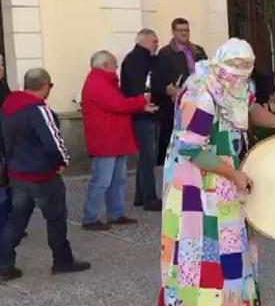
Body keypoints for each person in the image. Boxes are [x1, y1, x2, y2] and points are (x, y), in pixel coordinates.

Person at [158, 39, 275, 306]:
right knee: (202, 254)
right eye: (235, 68)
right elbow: (192, 149)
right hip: (197, 188)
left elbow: (250, 108)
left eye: (245, 69)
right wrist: (234, 175)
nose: (240, 75)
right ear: (221, 64)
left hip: (225, 181)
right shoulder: (200, 93)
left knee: (234, 251)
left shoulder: (235, 85)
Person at [0, 68, 91, 281]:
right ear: (45, 85)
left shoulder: (8, 105)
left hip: (17, 173)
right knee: (56, 218)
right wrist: (62, 162)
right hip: (41, 175)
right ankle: (62, 260)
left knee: (16, 220)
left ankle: (4, 264)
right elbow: (53, 143)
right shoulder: (38, 110)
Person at [81, 51, 158, 230]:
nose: (117, 68)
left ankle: (115, 214)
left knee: (117, 180)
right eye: (115, 64)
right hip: (105, 139)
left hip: (114, 137)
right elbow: (117, 104)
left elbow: (118, 104)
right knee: (101, 181)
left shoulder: (103, 81)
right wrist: (141, 101)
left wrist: (141, 106)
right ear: (106, 65)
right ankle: (90, 217)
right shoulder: (98, 82)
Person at [153, 18, 207, 166]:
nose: (184, 33)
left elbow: (207, 72)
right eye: (181, 30)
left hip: (198, 102)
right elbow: (158, 81)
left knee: (197, 138)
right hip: (174, 106)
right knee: (173, 140)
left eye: (187, 30)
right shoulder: (165, 53)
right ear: (173, 32)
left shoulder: (198, 51)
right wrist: (171, 90)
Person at [121, 29, 162, 211]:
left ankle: (141, 195)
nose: (157, 45)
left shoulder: (137, 59)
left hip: (143, 112)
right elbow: (143, 87)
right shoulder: (139, 60)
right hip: (144, 114)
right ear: (144, 41)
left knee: (146, 156)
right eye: (154, 41)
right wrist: (144, 104)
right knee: (148, 156)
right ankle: (149, 197)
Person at [0, 55, 11, 235]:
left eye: (2, 63)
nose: (2, 67)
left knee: (8, 185)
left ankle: (10, 222)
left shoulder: (3, 85)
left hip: (5, 139)